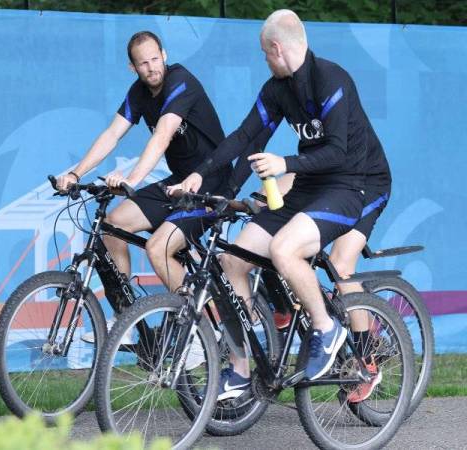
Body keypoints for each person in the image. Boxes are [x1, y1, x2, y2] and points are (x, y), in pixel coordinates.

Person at [175, 9, 384, 401]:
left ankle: (327, 327)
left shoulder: (331, 79)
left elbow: (338, 151)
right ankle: (239, 370)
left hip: (349, 183)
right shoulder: (277, 88)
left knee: (284, 249)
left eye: (264, 54)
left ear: (276, 48)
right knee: (232, 261)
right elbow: (245, 137)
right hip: (310, 183)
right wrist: (205, 177)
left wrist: (285, 163)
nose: (265, 61)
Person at [55, 31, 232, 345]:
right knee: (112, 225)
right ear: (132, 67)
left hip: (212, 184)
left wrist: (132, 180)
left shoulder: (181, 81)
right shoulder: (138, 91)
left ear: (164, 54)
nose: (151, 68)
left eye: (154, 59)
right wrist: (75, 171)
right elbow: (112, 134)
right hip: (179, 183)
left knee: (157, 248)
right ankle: (125, 319)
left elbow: (162, 134)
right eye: (142, 63)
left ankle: (196, 333)